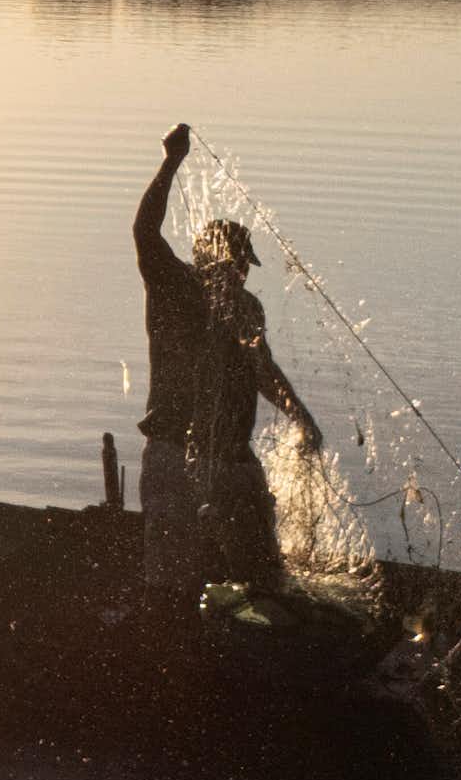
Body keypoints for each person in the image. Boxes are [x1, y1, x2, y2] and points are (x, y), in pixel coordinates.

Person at [190, 219, 322, 597]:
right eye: (236, 263)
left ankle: (256, 597)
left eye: (245, 265)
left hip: (236, 451)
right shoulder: (191, 308)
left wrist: (300, 416)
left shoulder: (247, 308)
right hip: (203, 453)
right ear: (211, 263)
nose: (242, 273)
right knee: (226, 550)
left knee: (260, 540)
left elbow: (262, 370)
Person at [131, 124, 211, 606]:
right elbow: (144, 230)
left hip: (207, 453)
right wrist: (172, 163)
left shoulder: (228, 306)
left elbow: (257, 373)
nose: (234, 271)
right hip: (172, 446)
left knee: (189, 568)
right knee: (169, 571)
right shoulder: (174, 286)